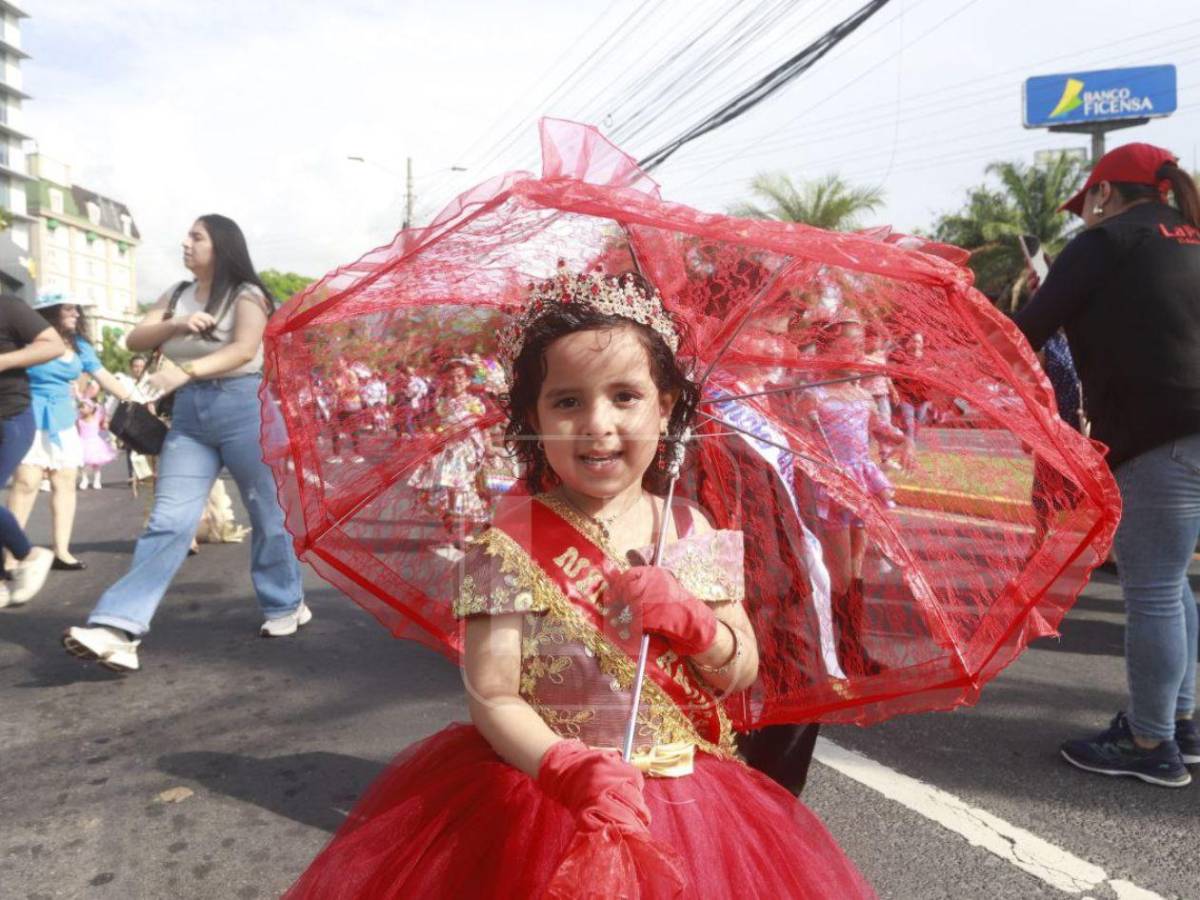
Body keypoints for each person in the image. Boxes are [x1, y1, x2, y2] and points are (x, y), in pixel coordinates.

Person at [284, 270, 874, 898]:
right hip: (546, 797)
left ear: (667, 404)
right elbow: (491, 693)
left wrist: (698, 626)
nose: (598, 424)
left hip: (685, 798)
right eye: (567, 401)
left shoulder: (689, 523)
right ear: (532, 416)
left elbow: (740, 670)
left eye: (625, 396)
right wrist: (564, 766)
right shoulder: (509, 536)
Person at [1014, 143, 1200, 788]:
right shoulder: (1189, 237)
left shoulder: (1106, 243)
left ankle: (1152, 743)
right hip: (1189, 430)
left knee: (1151, 590)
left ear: (1103, 193)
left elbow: (1025, 332)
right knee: (1170, 582)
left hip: (1161, 434)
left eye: (1087, 202)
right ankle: (1178, 719)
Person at [62, 214, 307, 673]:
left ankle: (285, 602)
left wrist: (186, 370)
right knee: (168, 521)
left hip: (245, 408)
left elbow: (241, 348)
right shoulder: (175, 293)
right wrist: (175, 325)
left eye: (197, 237)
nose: (186, 243)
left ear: (223, 245)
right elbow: (136, 337)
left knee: (267, 513)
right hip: (190, 416)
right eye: (187, 236)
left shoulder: (247, 294)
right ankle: (118, 629)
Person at [6, 295, 134, 570]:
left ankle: (61, 551)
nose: (76, 313)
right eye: (68, 308)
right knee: (26, 482)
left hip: (64, 421)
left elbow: (103, 376)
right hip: (30, 416)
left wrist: (133, 399)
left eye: (77, 308)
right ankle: (10, 556)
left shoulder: (81, 346)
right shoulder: (29, 341)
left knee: (65, 483)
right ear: (50, 312)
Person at [0, 292, 65, 608]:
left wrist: (3, 361)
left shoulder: (7, 306)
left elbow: (53, 344)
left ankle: (29, 554)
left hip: (9, 417)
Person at [76, 394, 116, 490]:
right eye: (80, 408)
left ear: (90, 409)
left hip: (95, 443)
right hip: (82, 442)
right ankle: (84, 480)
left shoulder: (96, 418)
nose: (81, 409)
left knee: (96, 465)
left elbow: (101, 411)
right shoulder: (79, 420)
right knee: (83, 464)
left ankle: (97, 480)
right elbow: (77, 432)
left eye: (83, 407)